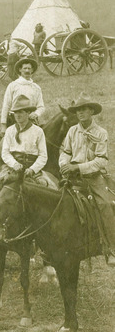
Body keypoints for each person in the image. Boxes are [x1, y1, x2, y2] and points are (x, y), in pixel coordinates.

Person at [59, 95, 115, 264]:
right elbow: (66, 152)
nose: (80, 113)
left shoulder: (101, 132)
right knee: (55, 200)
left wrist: (79, 167)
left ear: (91, 111)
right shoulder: (72, 131)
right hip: (73, 176)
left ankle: (112, 247)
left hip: (92, 177)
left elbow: (101, 160)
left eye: (84, 109)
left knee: (105, 205)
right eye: (78, 110)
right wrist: (64, 165)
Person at [0, 95, 57, 188]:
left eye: (21, 112)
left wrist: (32, 169)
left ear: (28, 113)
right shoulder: (10, 130)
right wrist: (14, 164)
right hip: (13, 169)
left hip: (32, 170)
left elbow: (43, 156)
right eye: (15, 112)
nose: (18, 115)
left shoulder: (38, 131)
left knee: (47, 189)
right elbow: (5, 153)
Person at [0, 57, 44, 135]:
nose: (27, 71)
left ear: (32, 70)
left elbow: (41, 107)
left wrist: (36, 114)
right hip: (15, 120)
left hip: (31, 121)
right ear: (20, 70)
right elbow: (6, 105)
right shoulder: (13, 85)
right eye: (25, 68)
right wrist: (3, 125)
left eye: (29, 68)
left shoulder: (36, 88)